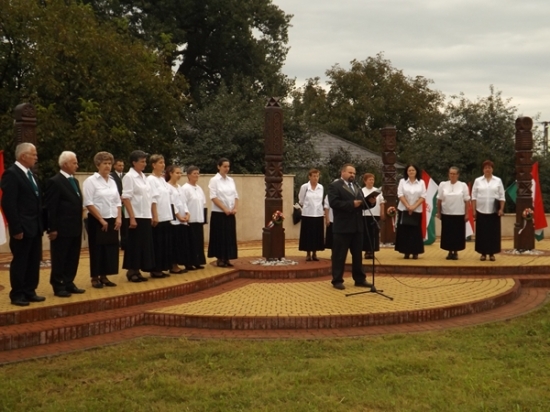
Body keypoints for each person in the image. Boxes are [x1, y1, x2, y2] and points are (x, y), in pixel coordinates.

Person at [0, 143, 45, 306]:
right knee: (21, 261)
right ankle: (17, 294)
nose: (36, 157)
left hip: (35, 226)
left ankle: (30, 291)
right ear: (23, 156)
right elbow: (9, 203)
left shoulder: (30, 174)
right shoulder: (12, 174)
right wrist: (16, 228)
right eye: (33, 154)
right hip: (22, 227)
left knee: (33, 260)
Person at [44, 151, 85, 297]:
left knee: (72, 257)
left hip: (75, 227)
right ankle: (58, 284)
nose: (77, 165)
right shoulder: (55, 181)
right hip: (61, 228)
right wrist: (52, 228)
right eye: (74, 163)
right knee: (60, 257)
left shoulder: (74, 181)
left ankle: (69, 282)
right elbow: (51, 207)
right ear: (65, 164)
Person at [328, 164, 372, 290]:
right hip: (342, 227)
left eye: (354, 173)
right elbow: (334, 203)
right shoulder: (335, 186)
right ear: (343, 172)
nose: (352, 175)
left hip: (357, 227)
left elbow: (362, 204)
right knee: (339, 255)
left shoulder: (357, 186)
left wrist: (371, 203)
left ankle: (360, 279)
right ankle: (337, 280)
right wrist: (351, 204)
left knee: (357, 255)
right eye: (350, 172)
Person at [82, 152, 122, 288]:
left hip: (112, 219)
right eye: (105, 163)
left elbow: (117, 201)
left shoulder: (112, 181)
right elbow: (88, 202)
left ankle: (104, 276)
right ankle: (95, 277)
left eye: (109, 163)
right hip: (97, 220)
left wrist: (119, 217)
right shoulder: (91, 181)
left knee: (109, 249)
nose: (107, 166)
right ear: (98, 164)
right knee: (97, 249)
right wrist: (100, 219)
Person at [121, 150, 155, 282]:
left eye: (145, 161)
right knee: (134, 244)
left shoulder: (143, 177)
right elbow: (126, 198)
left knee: (143, 244)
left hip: (145, 215)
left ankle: (138, 269)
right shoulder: (129, 177)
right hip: (135, 216)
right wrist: (132, 217)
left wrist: (150, 215)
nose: (144, 164)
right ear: (134, 163)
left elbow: (148, 197)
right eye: (142, 161)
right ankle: (131, 270)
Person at [472, 160, 505, 261]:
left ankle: (492, 253)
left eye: (489, 168)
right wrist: (474, 210)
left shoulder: (498, 181)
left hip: (493, 211)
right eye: (486, 168)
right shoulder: (478, 181)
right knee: (482, 233)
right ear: (483, 169)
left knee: (493, 233)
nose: (487, 170)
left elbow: (502, 196)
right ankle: (483, 253)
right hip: (481, 210)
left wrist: (501, 209)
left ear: (492, 169)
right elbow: (474, 196)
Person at [147, 154, 174, 278]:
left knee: (165, 244)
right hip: (158, 216)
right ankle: (155, 269)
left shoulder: (162, 180)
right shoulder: (150, 180)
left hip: (166, 215)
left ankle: (162, 267)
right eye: (160, 163)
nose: (163, 165)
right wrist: (155, 215)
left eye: (163, 162)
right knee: (157, 244)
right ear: (153, 165)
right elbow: (153, 199)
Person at [208, 158, 238, 267]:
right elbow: (213, 197)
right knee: (220, 236)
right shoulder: (214, 180)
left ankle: (227, 258)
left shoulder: (231, 180)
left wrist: (235, 208)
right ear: (219, 167)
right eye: (224, 166)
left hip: (230, 213)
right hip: (219, 213)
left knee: (229, 236)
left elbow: (235, 195)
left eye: (228, 166)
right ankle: (220, 258)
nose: (227, 169)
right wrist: (224, 208)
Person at [436, 167, 470, 260]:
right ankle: (449, 252)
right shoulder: (443, 184)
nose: (452, 175)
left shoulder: (463, 185)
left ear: (458, 175)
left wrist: (467, 214)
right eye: (451, 173)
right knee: (448, 234)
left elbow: (467, 200)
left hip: (459, 214)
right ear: (448, 174)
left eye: (454, 174)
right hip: (446, 213)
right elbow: (439, 200)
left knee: (457, 234)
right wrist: (439, 212)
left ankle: (455, 252)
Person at [395, 164, 426, 259]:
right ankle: (406, 252)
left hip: (416, 210)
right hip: (404, 210)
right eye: (409, 170)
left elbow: (423, 196)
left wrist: (413, 207)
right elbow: (400, 194)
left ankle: (415, 252)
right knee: (405, 231)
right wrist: (408, 206)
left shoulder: (421, 182)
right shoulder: (402, 181)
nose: (411, 172)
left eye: (413, 170)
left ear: (416, 171)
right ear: (406, 172)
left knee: (415, 232)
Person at [165, 165, 190, 274]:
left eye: (180, 173)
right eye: (177, 173)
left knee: (180, 243)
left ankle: (178, 263)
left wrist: (187, 213)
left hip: (182, 219)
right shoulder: (167, 187)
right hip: (174, 220)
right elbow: (171, 203)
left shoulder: (180, 187)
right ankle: (173, 266)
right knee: (174, 244)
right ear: (170, 173)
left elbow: (184, 202)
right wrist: (178, 216)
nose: (179, 175)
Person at [182, 166, 207, 269]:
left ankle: (197, 261)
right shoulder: (185, 188)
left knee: (198, 242)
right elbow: (183, 204)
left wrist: (204, 218)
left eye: (198, 173)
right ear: (188, 175)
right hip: (190, 220)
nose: (197, 175)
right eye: (194, 173)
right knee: (190, 242)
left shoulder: (199, 188)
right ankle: (189, 263)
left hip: (199, 219)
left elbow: (203, 203)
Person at [298, 169, 325, 261]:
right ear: (309, 177)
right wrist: (307, 206)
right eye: (314, 176)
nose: (315, 178)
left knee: (317, 234)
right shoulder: (304, 187)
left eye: (317, 176)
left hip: (318, 214)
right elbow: (301, 200)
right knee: (308, 234)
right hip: (307, 214)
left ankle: (315, 253)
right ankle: (308, 253)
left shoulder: (321, 187)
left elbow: (321, 200)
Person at [361, 173, 385, 260]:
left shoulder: (377, 191)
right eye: (369, 180)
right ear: (365, 181)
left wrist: (382, 212)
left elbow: (382, 202)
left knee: (374, 233)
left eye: (372, 180)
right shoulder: (362, 191)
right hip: (365, 214)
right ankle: (367, 251)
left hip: (375, 214)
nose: (371, 181)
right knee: (366, 233)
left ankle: (372, 251)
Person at [110, 158, 127, 250]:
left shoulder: (126, 176)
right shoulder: (111, 176)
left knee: (125, 224)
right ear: (115, 166)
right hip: (116, 202)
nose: (121, 167)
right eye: (119, 165)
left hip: (125, 202)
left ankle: (124, 243)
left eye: (122, 165)